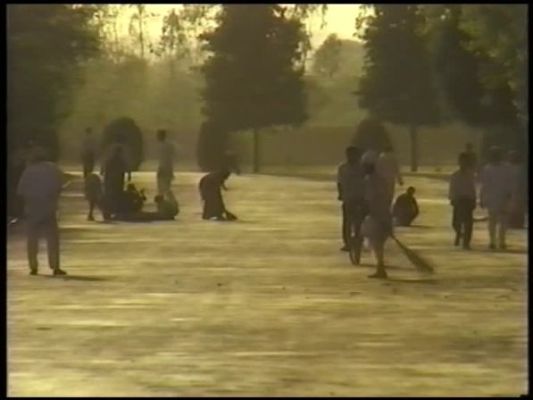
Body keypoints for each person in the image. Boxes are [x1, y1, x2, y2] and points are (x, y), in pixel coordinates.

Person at [16, 147, 67, 276]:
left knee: (32, 239)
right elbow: (61, 184)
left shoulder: (28, 171)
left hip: (32, 208)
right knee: (52, 238)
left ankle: (33, 267)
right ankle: (55, 266)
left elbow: (20, 191)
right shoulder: (53, 168)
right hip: (49, 207)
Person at [361, 162, 392, 279]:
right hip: (385, 214)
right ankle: (380, 268)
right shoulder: (381, 180)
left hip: (376, 216)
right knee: (379, 245)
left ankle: (380, 268)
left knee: (376, 245)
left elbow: (369, 199)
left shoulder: (369, 181)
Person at [479, 146, 514, 250]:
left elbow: (510, 182)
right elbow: (484, 185)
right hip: (492, 199)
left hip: (503, 198)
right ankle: (492, 241)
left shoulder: (506, 168)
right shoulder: (487, 169)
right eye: (494, 154)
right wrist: (482, 198)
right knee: (493, 222)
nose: (495, 156)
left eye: (497, 154)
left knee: (502, 222)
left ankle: (502, 241)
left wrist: (510, 194)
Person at [337, 146, 366, 252]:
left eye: (353, 155)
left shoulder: (363, 167)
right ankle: (347, 243)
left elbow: (367, 181)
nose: (351, 157)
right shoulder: (342, 168)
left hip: (360, 197)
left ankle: (359, 240)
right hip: (348, 197)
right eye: (349, 155)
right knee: (347, 222)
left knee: (359, 222)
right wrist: (340, 194)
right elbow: (339, 182)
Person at [449, 152, 477, 249]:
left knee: (468, 223)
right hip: (458, 200)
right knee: (455, 222)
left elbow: (473, 188)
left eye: (465, 161)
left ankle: (466, 242)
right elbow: (452, 188)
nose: (463, 163)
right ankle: (459, 234)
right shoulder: (455, 175)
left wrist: (474, 199)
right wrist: (452, 198)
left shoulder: (471, 175)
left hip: (468, 200)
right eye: (461, 161)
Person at [101, 144, 130, 218]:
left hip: (113, 180)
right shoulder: (119, 160)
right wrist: (129, 175)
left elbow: (104, 169)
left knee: (112, 195)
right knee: (116, 195)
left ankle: (110, 210)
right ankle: (113, 210)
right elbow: (126, 168)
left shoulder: (111, 159)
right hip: (116, 180)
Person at [506, 150, 526, 229]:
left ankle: (518, 224)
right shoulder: (507, 167)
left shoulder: (521, 168)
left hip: (519, 192)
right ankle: (512, 223)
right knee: (511, 208)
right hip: (511, 192)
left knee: (518, 209)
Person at [156, 129, 176, 196]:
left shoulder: (162, 146)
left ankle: (163, 199)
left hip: (163, 168)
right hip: (168, 167)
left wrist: (161, 169)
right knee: (167, 186)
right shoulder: (170, 145)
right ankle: (168, 199)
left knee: (161, 187)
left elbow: (163, 159)